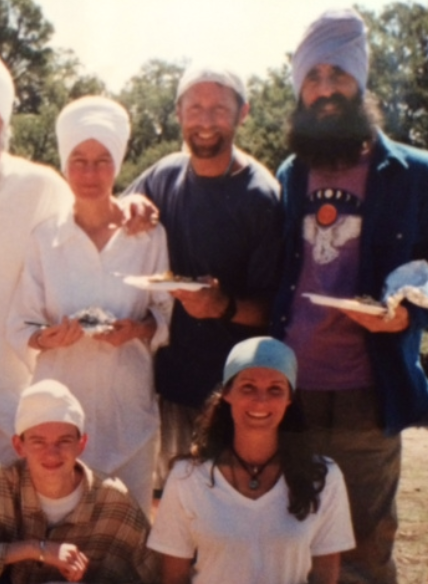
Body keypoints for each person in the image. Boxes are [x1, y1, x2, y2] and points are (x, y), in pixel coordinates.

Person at [0, 40, 154, 528]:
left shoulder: (38, 185)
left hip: (10, 377)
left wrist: (131, 206)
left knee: (19, 505)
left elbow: (88, 214)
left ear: (4, 119)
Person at [271, 9, 428, 583]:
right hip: (289, 391)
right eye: (312, 77)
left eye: (337, 74)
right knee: (292, 543)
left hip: (368, 394)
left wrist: (405, 316)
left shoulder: (416, 173)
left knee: (365, 553)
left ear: (360, 81)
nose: (324, 89)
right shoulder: (291, 173)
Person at [8, 96, 172, 514]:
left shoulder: (147, 236)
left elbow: (164, 312)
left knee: (130, 526)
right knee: (66, 525)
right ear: (64, 165)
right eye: (79, 160)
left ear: (118, 165)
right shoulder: (46, 238)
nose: (90, 172)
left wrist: (136, 329)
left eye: (102, 160)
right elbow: (20, 325)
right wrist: (50, 338)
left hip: (128, 407)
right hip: (62, 420)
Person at [122, 64, 283, 484]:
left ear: (242, 113)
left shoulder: (261, 197)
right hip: (170, 383)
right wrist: (130, 209)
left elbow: (275, 311)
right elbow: (112, 212)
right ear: (178, 113)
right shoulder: (164, 174)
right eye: (195, 108)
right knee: (173, 505)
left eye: (219, 108)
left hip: (233, 393)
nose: (206, 121)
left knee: (228, 508)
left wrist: (222, 305)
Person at [149, 337, 355, 584]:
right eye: (248, 387)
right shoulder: (187, 477)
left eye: (275, 389)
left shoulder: (324, 478)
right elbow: (174, 577)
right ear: (227, 393)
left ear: (290, 398)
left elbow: (325, 574)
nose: (261, 401)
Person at [0, 379, 158, 584]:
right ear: (18, 445)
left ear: (81, 444)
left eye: (64, 441)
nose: (51, 454)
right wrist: (32, 550)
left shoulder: (113, 501)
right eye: (38, 442)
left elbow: (157, 574)